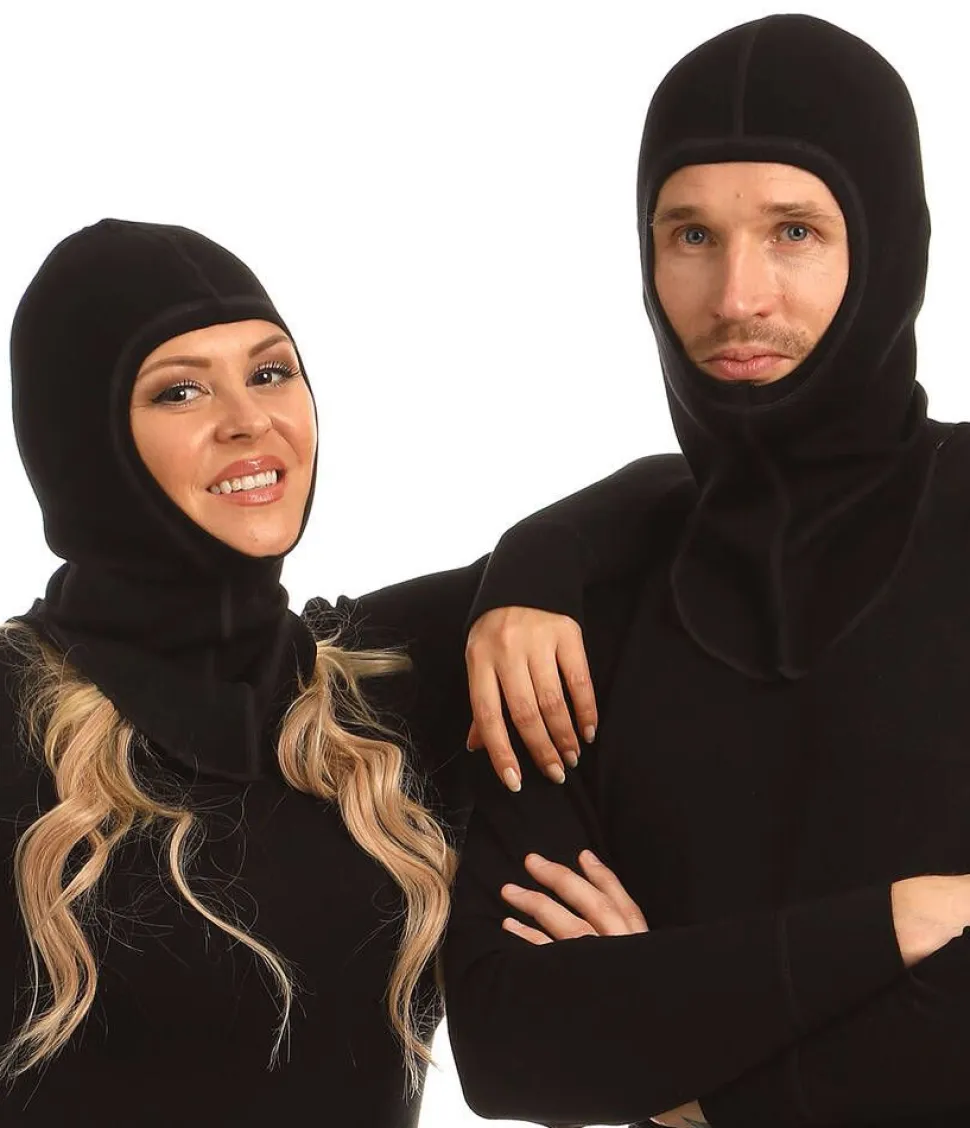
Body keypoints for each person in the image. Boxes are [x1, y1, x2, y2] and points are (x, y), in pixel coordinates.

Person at [444, 14, 970, 1128]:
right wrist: (898, 924)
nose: (737, 297)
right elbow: (509, 1043)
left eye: (794, 231)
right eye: (690, 235)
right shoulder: (577, 609)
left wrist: (678, 1065)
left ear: (890, 244)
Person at [0, 218, 636, 1126]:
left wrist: (528, 578)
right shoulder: (13, 710)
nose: (249, 420)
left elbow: (684, 499)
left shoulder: (379, 684)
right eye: (180, 390)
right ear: (81, 444)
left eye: (271, 372)